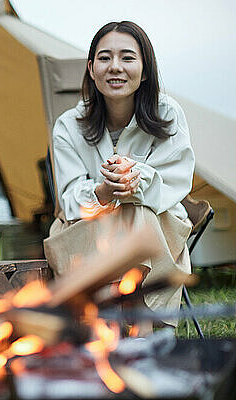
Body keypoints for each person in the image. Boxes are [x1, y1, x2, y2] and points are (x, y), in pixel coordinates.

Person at [44, 21, 194, 333]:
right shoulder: (69, 125)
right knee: (124, 213)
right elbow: (69, 198)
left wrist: (135, 182)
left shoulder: (168, 114)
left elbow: (175, 183)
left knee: (136, 212)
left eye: (127, 58)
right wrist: (102, 192)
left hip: (158, 227)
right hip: (88, 229)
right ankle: (145, 328)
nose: (115, 67)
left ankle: (119, 327)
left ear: (146, 69)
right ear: (91, 67)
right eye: (104, 58)